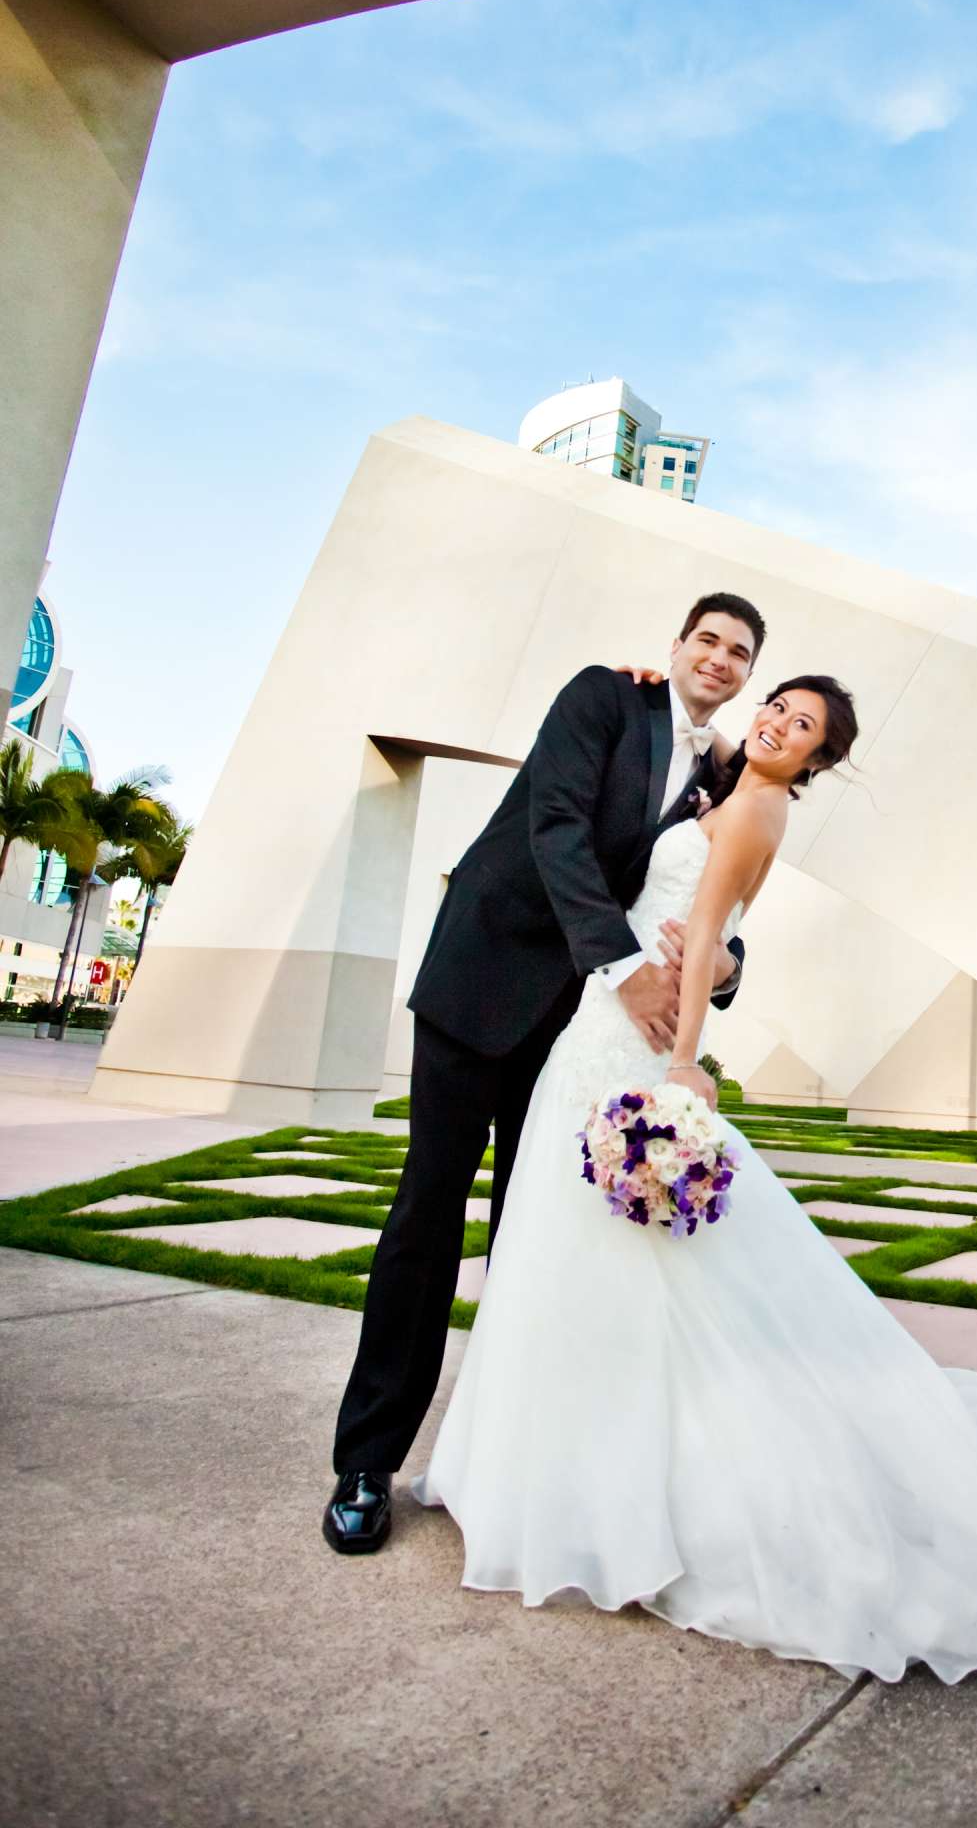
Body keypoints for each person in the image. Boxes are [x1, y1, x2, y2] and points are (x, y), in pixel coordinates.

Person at [416, 672, 977, 1681]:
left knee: (627, 1263)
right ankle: (556, 1470)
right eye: (778, 708)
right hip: (592, 1026)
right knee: (574, 1253)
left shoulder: (751, 808)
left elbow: (706, 935)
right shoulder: (711, 781)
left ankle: (604, 1490)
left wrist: (681, 1063)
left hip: (635, 1044)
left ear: (815, 761)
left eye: (802, 728)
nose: (779, 726)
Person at [322, 593, 767, 1556]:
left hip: (578, 1032)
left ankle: (519, 1462)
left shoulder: (726, 774)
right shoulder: (605, 699)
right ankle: (366, 1462)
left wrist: (723, 970)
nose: (720, 659)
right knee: (427, 1215)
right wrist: (626, 966)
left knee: (543, 1234)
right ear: (676, 645)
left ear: (748, 674)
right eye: (707, 640)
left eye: (739, 652)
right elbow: (555, 828)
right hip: (484, 981)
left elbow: (719, 892)